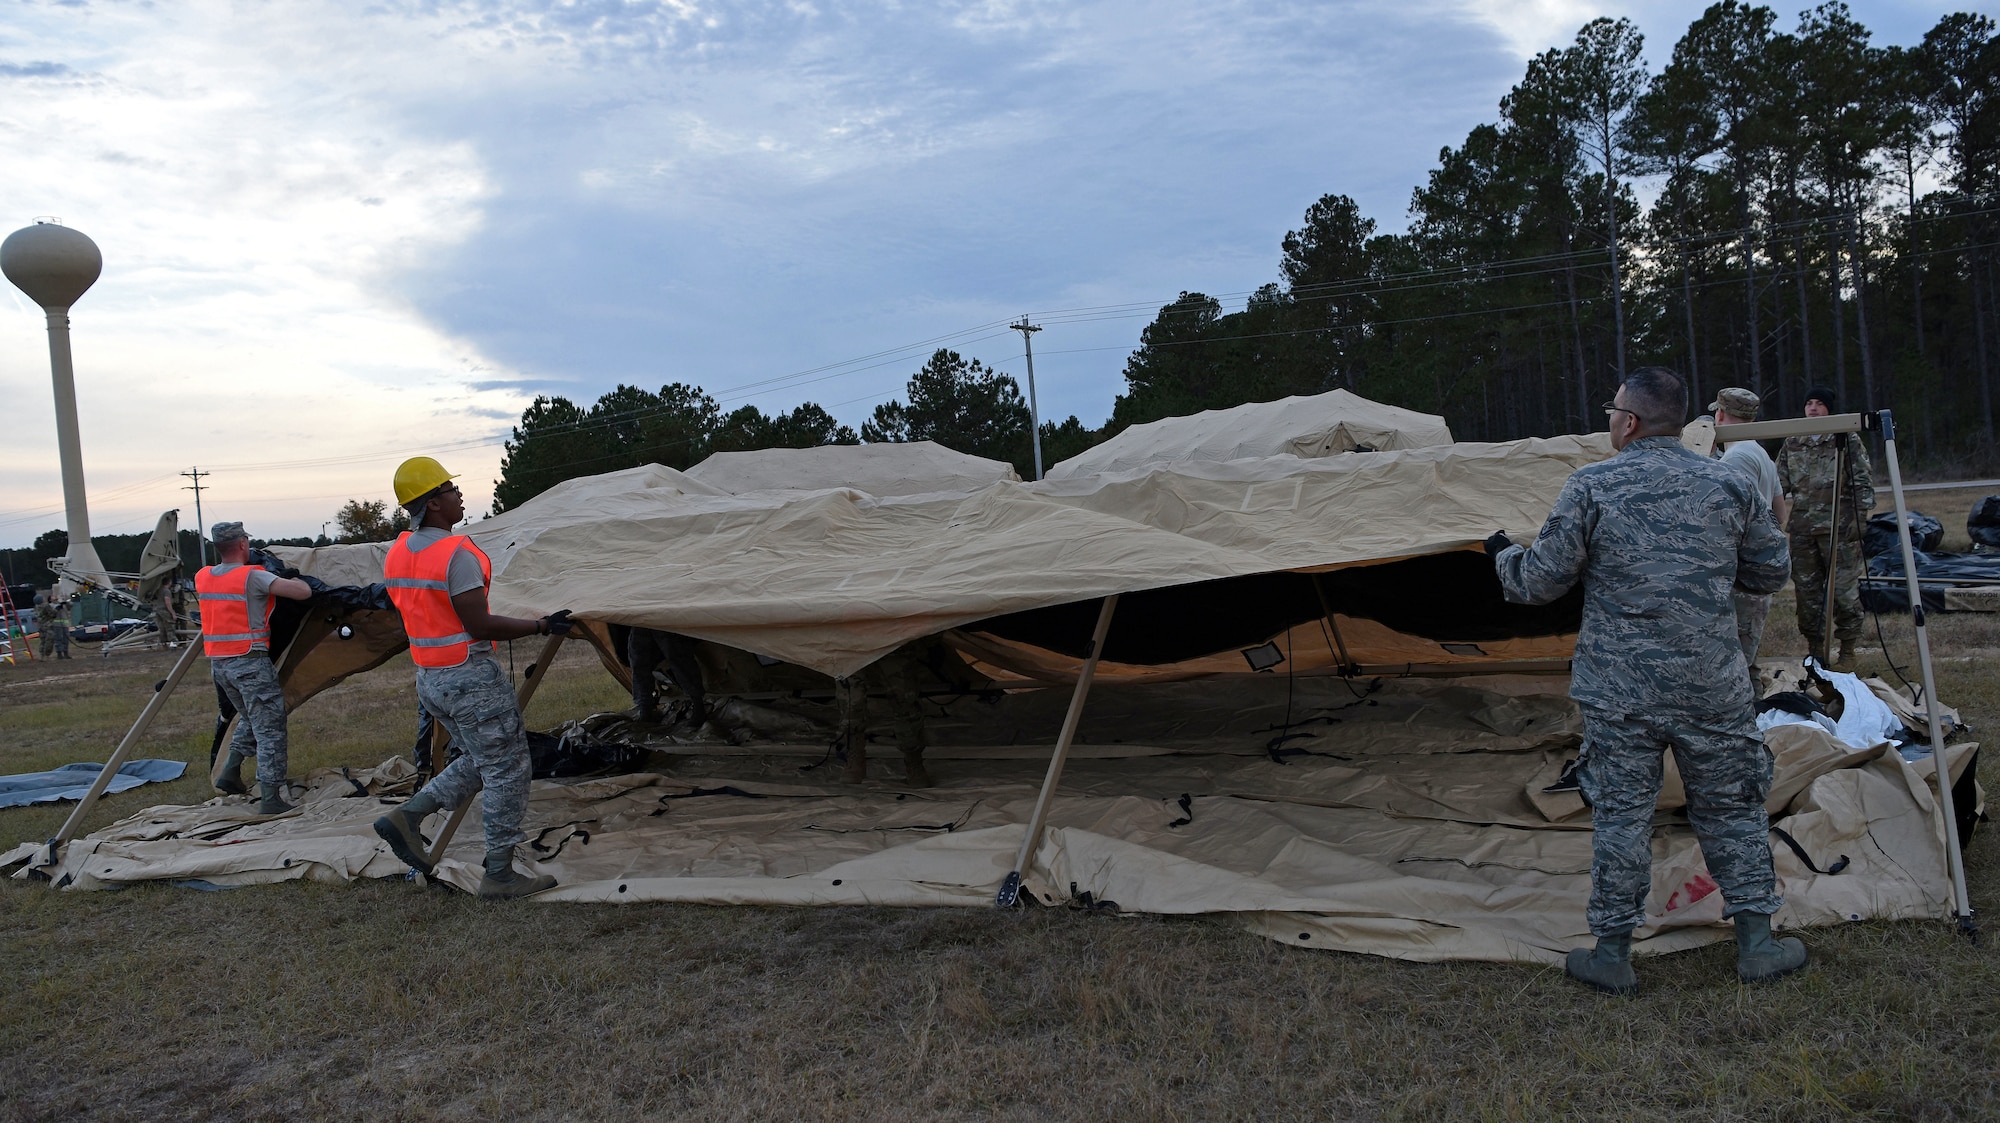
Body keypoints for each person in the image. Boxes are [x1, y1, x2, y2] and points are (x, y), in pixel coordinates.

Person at [1488, 367, 1801, 994]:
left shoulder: (1592, 486)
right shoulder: (1728, 483)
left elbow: (1538, 582)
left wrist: (1501, 554)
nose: (1610, 420)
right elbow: (1770, 574)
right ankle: (1758, 945)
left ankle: (1612, 953)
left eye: (1613, 411)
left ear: (1628, 421)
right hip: (1710, 684)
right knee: (1733, 808)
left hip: (1621, 690)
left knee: (1622, 817)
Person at [371, 456, 574, 900]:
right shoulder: (456, 555)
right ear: (433, 504)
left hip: (430, 679)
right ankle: (499, 871)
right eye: (448, 489)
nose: (458, 494)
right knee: (508, 768)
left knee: (485, 759)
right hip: (469, 678)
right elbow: (479, 624)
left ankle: (409, 815)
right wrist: (540, 626)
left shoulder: (399, 552)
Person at [197, 522, 312, 812]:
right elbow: (302, 593)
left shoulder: (203, 577)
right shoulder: (253, 577)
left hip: (220, 667)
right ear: (243, 544)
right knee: (270, 728)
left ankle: (230, 771)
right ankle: (271, 798)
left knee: (251, 717)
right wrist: (297, 579)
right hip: (250, 662)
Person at [1776, 386, 1873, 670]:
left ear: (1829, 409)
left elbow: (1862, 479)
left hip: (1839, 529)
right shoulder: (1793, 441)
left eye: (1819, 403)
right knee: (1807, 594)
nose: (1813, 408)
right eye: (1809, 403)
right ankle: (1816, 649)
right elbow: (1778, 484)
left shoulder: (1845, 437)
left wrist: (1860, 516)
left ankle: (1848, 648)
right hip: (1804, 530)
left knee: (1843, 592)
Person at [1709, 387, 1789, 696]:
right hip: (1755, 574)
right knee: (1748, 661)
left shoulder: (1736, 458)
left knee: (1734, 666)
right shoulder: (1760, 455)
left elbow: (1726, 523)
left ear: (1720, 414)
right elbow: (1779, 513)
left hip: (1741, 576)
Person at [627, 627, 707, 726]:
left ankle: (698, 705)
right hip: (641, 618)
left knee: (678, 655)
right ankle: (645, 710)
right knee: (639, 661)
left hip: (662, 617)